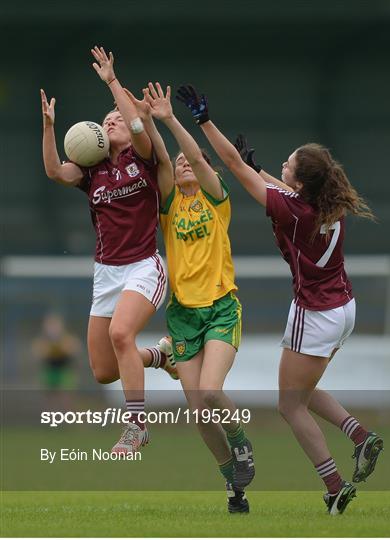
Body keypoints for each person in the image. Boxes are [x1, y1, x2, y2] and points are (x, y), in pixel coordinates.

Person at [175, 85, 384, 515]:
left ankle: (334, 485)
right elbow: (282, 192)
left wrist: (204, 121)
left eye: (288, 163)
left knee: (288, 405)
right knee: (303, 391)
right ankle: (359, 436)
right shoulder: (328, 203)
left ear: (301, 181)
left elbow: (230, 164)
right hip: (344, 306)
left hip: (316, 310)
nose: (282, 164)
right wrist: (263, 171)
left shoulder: (292, 212)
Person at [40, 46, 178, 456]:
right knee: (102, 371)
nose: (112, 120)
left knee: (121, 333)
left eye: (115, 116)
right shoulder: (92, 171)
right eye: (106, 119)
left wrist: (113, 82)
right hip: (106, 273)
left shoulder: (143, 157)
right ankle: (160, 355)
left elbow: (137, 122)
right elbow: (52, 171)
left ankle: (136, 427)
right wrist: (49, 127)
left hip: (143, 267)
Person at [125, 81, 254, 513]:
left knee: (213, 394)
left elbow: (195, 155)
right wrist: (145, 118)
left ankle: (242, 446)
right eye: (179, 164)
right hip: (183, 316)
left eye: (191, 164)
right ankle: (234, 487)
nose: (184, 165)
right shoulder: (168, 207)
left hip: (220, 308)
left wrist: (171, 118)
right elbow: (161, 156)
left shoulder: (216, 200)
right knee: (199, 413)